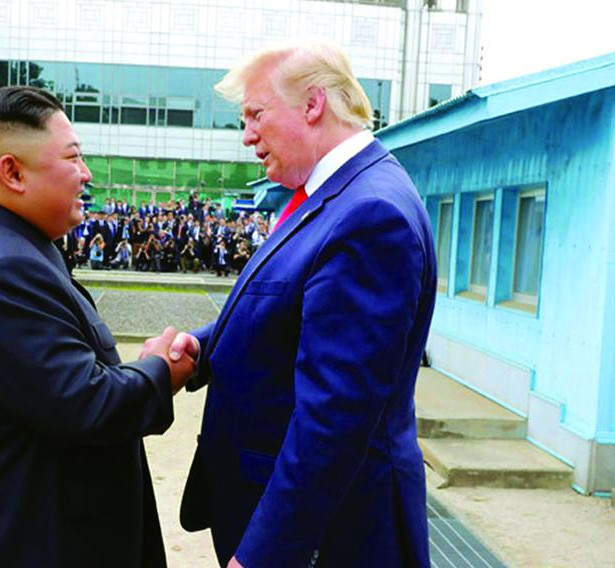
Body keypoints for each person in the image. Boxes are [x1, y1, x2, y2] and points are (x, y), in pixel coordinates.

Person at [153, 41, 437, 567]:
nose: (246, 136)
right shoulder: (330, 195)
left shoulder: (369, 213)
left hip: (334, 538)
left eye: (256, 114)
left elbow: (334, 418)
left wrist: (264, 554)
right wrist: (201, 345)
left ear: (312, 105)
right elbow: (284, 307)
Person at [0, 86, 196, 567]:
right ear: (13, 172)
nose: (86, 175)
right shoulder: (0, 270)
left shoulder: (2, 245)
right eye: (73, 158)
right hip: (14, 545)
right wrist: (159, 373)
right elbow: (86, 403)